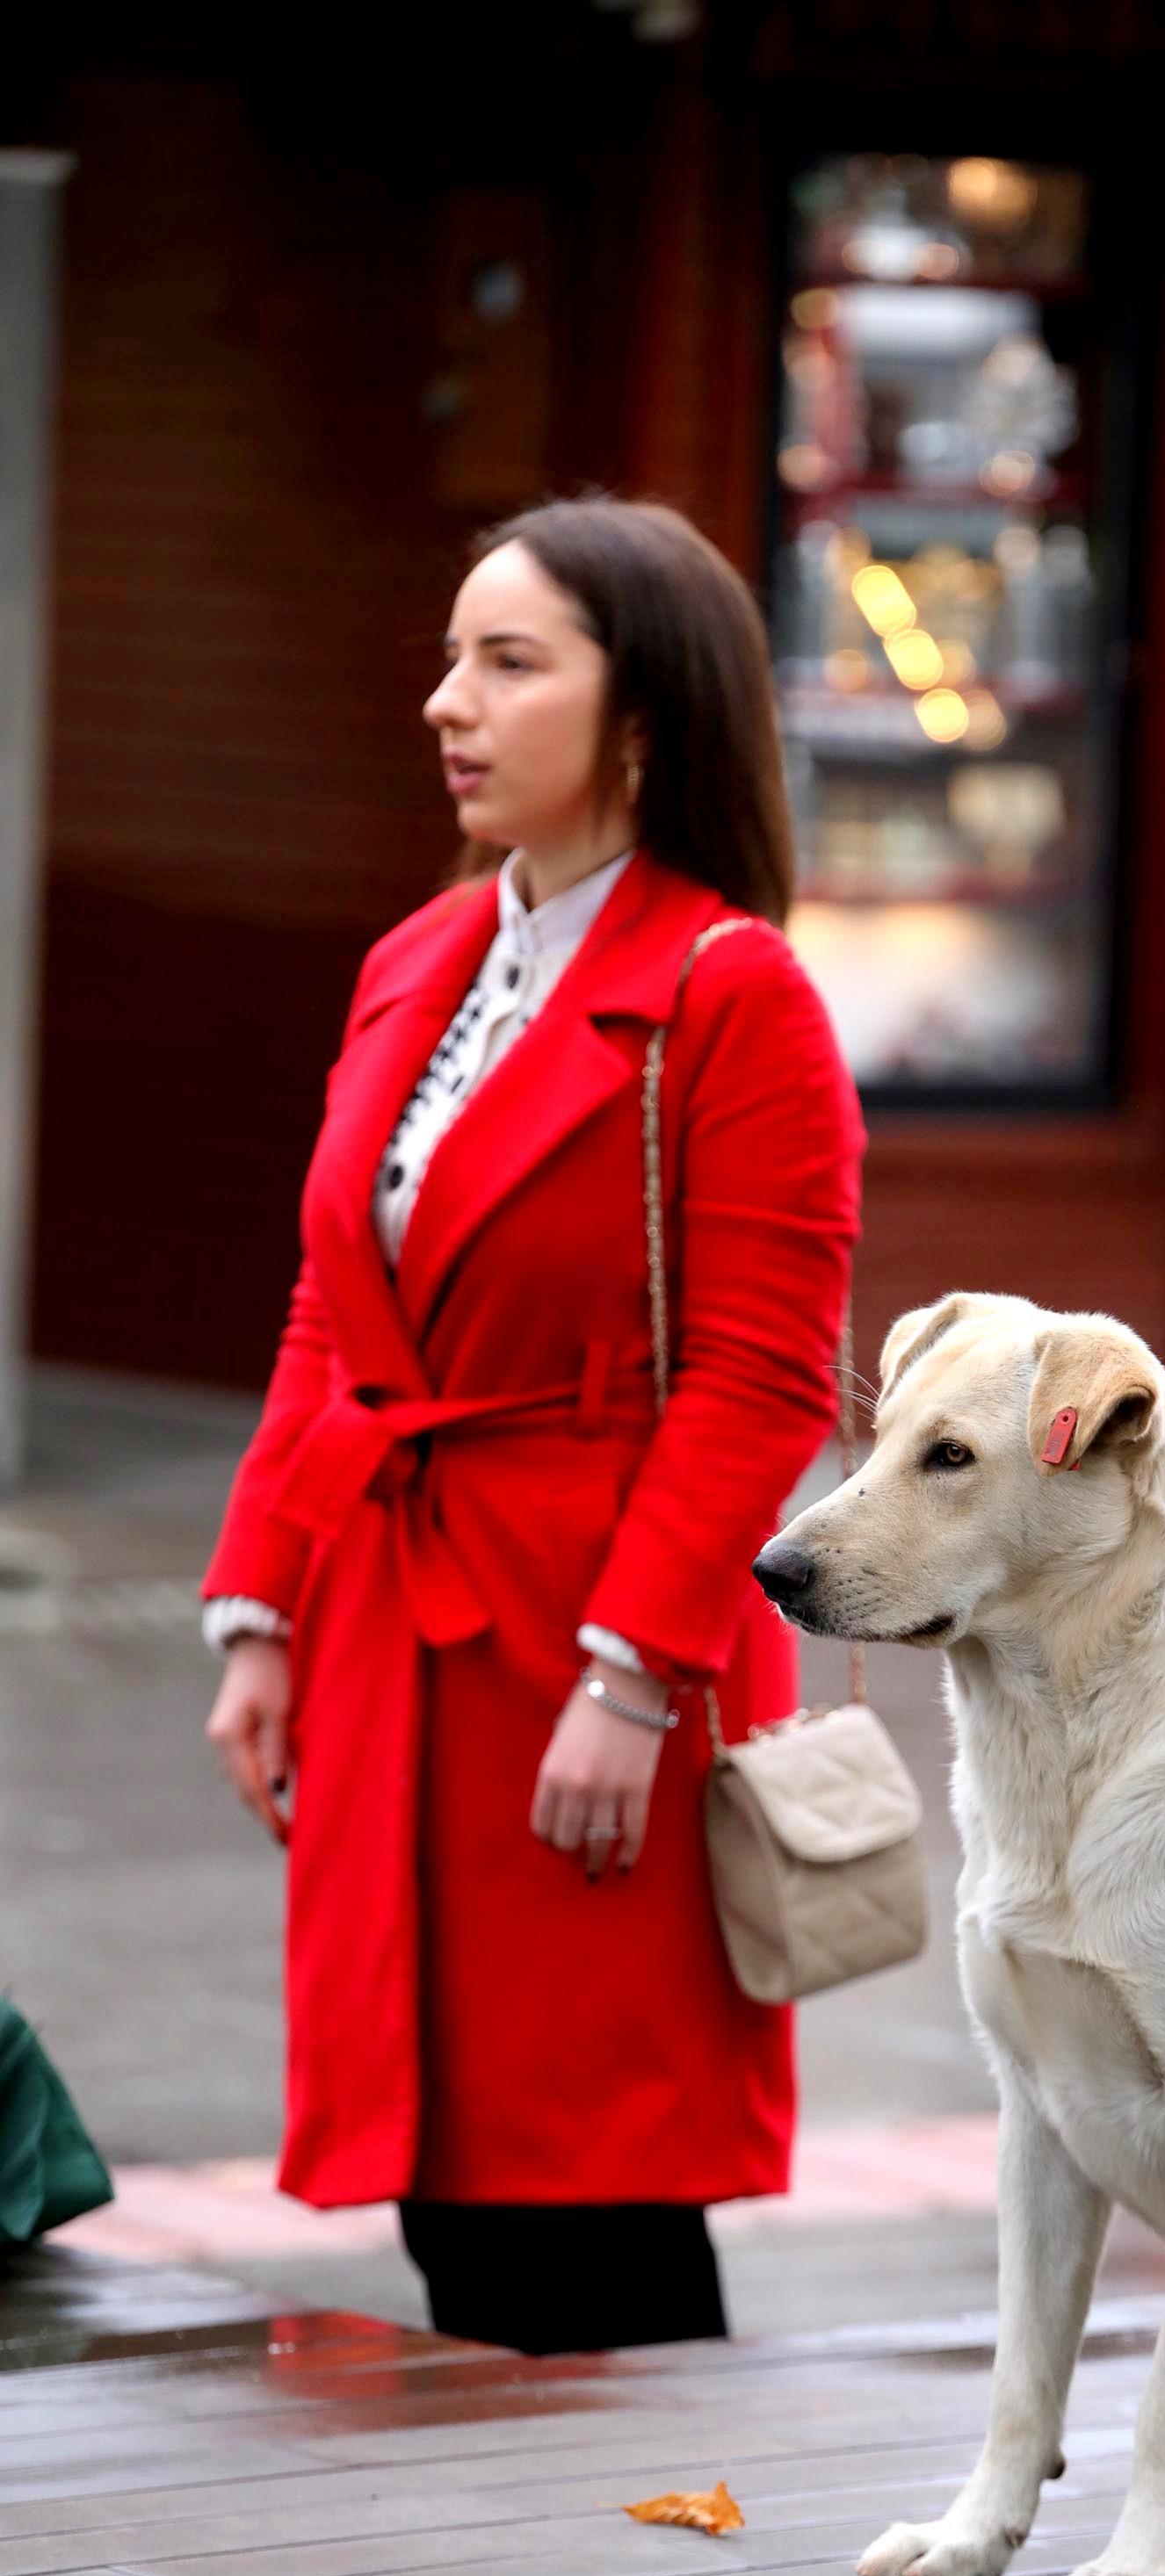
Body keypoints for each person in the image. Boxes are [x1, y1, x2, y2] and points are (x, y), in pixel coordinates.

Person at [202, 497, 863, 2353]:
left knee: (599, 2196)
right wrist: (258, 1610)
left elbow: (762, 1378)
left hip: (591, 1649)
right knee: (445, 2182)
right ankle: (520, 2534)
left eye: (508, 663)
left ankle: (662, 2540)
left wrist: (633, 1677)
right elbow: (334, 1309)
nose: (449, 703)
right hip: (394, 1628)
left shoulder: (733, 996)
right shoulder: (418, 959)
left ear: (642, 716)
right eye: (452, 659)